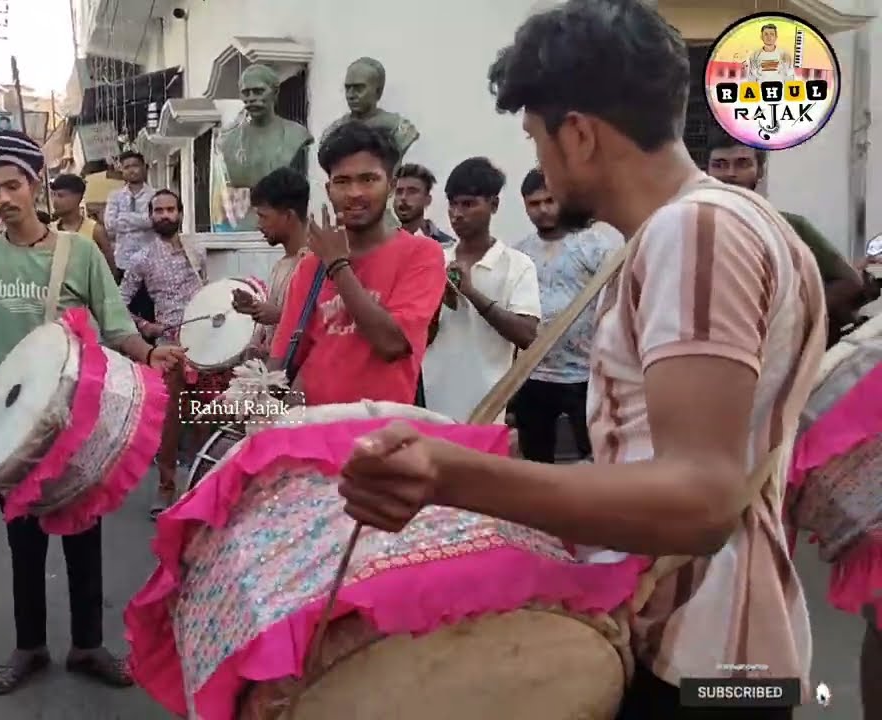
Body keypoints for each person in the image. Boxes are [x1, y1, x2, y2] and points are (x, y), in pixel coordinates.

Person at [340, 3, 825, 719]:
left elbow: (700, 500)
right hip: (732, 655)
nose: (538, 161)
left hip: (703, 668)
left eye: (536, 137)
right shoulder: (729, 224)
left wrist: (451, 473)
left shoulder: (696, 233)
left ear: (579, 134)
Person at [0, 130, 185, 696]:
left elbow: (117, 324)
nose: (2, 198)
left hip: (79, 422)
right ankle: (29, 646)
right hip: (10, 424)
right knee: (22, 543)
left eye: (12, 186)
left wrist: (151, 353)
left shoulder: (80, 253)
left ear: (35, 186)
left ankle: (87, 644)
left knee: (83, 535)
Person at [268, 121, 446, 407]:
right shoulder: (311, 265)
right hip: (311, 431)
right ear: (328, 189)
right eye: (342, 181)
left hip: (381, 437)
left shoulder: (422, 254)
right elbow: (282, 358)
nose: (355, 193)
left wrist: (338, 265)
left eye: (368, 179)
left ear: (390, 185)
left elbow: (392, 344)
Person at [705, 133, 869, 346]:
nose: (730, 174)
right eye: (719, 165)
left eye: (742, 164)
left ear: (760, 171)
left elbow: (849, 282)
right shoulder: (690, 225)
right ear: (706, 171)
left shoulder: (790, 227)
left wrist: (789, 319)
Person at [511, 169, 621, 462]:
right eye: (534, 204)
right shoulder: (520, 253)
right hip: (534, 374)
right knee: (535, 461)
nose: (543, 209)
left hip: (586, 373)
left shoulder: (595, 246)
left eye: (550, 200)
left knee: (596, 456)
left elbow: (615, 304)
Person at [422, 157, 540, 423]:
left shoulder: (517, 264)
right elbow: (418, 340)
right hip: (434, 405)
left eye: (468, 204)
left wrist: (471, 293)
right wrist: (437, 302)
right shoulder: (435, 260)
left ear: (493, 205)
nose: (457, 214)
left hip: (490, 407)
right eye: (453, 204)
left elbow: (527, 335)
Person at [117, 189, 207, 516]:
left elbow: (207, 291)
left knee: (206, 417)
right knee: (169, 421)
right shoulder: (141, 259)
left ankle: (205, 488)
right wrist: (144, 327)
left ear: (181, 213)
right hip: (169, 347)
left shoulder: (196, 250)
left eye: (171, 209)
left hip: (207, 342)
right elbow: (117, 303)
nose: (165, 215)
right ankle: (166, 487)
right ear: (151, 216)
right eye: (158, 210)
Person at [234, 166, 311, 356]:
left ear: (289, 216)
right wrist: (254, 308)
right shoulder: (281, 265)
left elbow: (323, 326)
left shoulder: (316, 263)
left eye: (263, 216)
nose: (259, 225)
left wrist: (278, 316)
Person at [103, 150, 157, 320]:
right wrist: (141, 221)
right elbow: (110, 224)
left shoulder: (155, 195)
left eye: (135, 166)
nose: (131, 170)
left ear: (144, 167)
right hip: (123, 262)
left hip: (149, 262)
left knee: (149, 309)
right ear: (122, 171)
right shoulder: (115, 196)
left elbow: (153, 221)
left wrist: (125, 218)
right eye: (127, 167)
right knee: (125, 311)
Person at [50, 173, 117, 274]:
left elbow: (110, 271)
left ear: (77, 198)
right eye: (53, 195)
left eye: (61, 196)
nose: (55, 201)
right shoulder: (50, 230)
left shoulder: (95, 231)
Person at [393, 163, 455, 243]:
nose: (403, 197)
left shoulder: (447, 245)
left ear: (428, 200)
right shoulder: (383, 244)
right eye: (399, 192)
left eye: (412, 191)